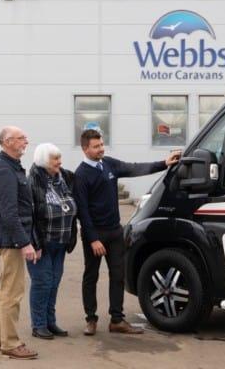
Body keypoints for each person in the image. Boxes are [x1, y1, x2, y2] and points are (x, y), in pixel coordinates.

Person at [73, 128, 180, 336]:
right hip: (95, 236)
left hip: (114, 232)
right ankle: (91, 319)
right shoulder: (81, 175)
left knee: (118, 276)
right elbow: (82, 211)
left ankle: (117, 320)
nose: (101, 149)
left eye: (102, 145)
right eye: (96, 147)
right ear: (85, 149)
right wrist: (93, 239)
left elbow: (133, 168)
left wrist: (163, 164)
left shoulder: (109, 164)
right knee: (91, 277)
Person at [0, 126, 40, 360]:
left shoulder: (10, 166)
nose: (26, 141)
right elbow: (9, 213)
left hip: (10, 239)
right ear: (7, 142)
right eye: (21, 138)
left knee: (4, 288)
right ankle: (10, 343)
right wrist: (24, 243)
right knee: (12, 292)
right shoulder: (4, 170)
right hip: (11, 241)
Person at [27, 143, 77, 340]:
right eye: (55, 159)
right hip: (42, 243)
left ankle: (50, 321)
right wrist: (34, 244)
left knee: (54, 283)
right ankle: (38, 325)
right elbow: (28, 216)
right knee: (42, 282)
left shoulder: (65, 178)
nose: (60, 162)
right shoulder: (32, 182)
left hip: (61, 242)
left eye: (59, 157)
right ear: (44, 161)